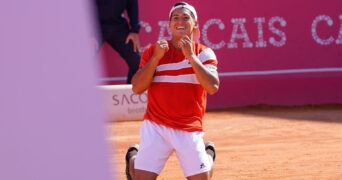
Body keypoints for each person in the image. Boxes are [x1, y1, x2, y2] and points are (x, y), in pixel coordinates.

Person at [125, 2, 220, 180]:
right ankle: (133, 159)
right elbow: (137, 88)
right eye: (175, 18)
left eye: (185, 17)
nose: (180, 21)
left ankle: (207, 156)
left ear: (195, 23)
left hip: (188, 128)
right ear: (169, 25)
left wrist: (191, 56)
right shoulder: (153, 51)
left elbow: (212, 87)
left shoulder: (205, 53)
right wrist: (155, 59)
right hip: (156, 127)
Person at [94, 0, 141, 84]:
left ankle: (130, 93)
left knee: (137, 60)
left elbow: (132, 4)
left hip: (118, 25)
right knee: (83, 60)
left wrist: (134, 30)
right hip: (95, 26)